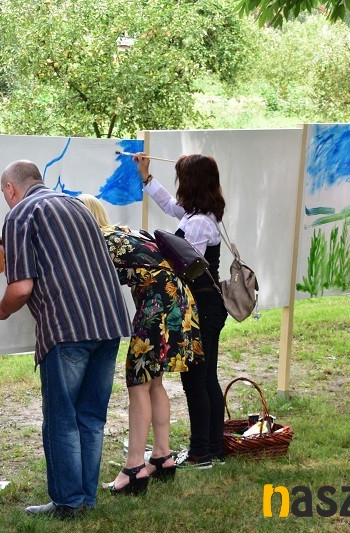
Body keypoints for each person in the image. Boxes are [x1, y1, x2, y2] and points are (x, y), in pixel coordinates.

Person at [0, 161, 133, 517]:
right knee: (91, 416)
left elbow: (21, 288)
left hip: (67, 326)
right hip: (108, 320)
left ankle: (69, 502)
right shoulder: (75, 205)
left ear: (10, 188)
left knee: (62, 417)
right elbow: (66, 257)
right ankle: (85, 498)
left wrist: (1, 310)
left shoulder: (20, 214)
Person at [78, 194, 204, 495]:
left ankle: (134, 467)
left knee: (138, 383)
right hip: (179, 302)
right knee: (153, 382)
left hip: (158, 307)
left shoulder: (98, 241)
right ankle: (161, 455)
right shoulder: (123, 233)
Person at [134, 153, 229, 468]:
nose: (178, 184)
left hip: (203, 306)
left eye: (181, 178)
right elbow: (170, 206)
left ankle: (201, 452)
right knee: (207, 378)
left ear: (191, 183)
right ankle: (214, 447)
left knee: (196, 380)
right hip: (207, 304)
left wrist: (151, 250)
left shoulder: (199, 223)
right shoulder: (199, 214)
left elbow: (186, 265)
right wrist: (146, 177)